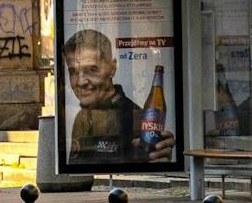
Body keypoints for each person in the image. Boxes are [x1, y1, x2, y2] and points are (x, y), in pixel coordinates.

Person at [63, 26, 175, 163]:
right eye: (73, 72)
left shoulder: (138, 119)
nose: (80, 82)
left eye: (92, 69)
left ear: (112, 67)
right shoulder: (81, 116)